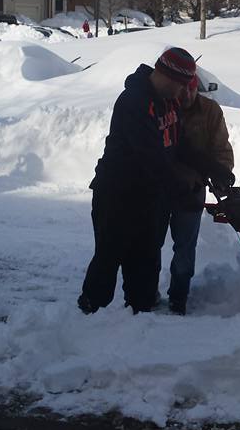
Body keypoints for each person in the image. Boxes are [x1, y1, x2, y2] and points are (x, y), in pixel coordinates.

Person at [77, 46, 199, 316]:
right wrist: (182, 192)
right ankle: (88, 317)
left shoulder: (169, 101)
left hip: (149, 197)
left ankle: (140, 316)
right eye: (181, 85)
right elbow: (151, 157)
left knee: (145, 262)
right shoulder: (134, 102)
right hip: (117, 194)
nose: (183, 92)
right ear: (167, 76)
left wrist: (210, 168)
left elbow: (178, 144)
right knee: (110, 257)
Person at [158, 75, 235, 315]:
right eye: (183, 90)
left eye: (192, 90)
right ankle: (146, 294)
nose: (187, 96)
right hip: (160, 187)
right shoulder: (162, 107)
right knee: (151, 244)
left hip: (192, 189)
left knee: (185, 247)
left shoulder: (210, 110)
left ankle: (178, 298)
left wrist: (222, 174)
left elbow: (221, 148)